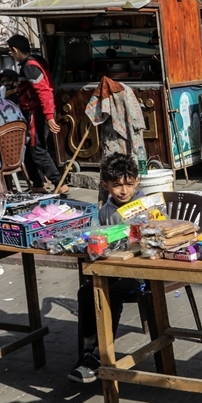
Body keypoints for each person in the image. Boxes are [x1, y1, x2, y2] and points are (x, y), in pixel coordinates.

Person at [69, 152, 153, 384]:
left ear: (136, 182)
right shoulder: (105, 210)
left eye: (128, 184)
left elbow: (152, 242)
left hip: (141, 272)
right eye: (116, 185)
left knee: (110, 294)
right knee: (86, 293)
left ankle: (100, 354)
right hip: (113, 268)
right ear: (105, 185)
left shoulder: (145, 206)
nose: (123, 191)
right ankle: (88, 350)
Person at [6, 34, 66, 194]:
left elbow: (44, 91)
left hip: (37, 112)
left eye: (11, 52)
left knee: (37, 149)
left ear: (15, 50)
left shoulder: (30, 66)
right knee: (31, 149)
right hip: (36, 111)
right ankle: (37, 184)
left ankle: (59, 182)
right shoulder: (36, 61)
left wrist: (49, 116)